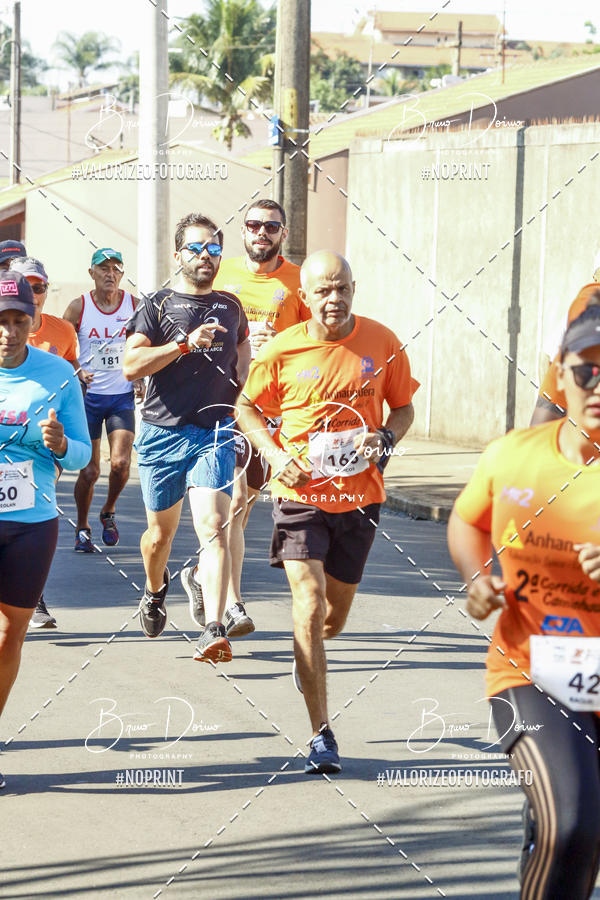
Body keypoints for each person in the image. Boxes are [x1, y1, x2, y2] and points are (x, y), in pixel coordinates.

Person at [236, 250, 418, 774]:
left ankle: (306, 657)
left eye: (341, 288)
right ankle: (321, 733)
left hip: (360, 500)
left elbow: (403, 406)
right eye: (322, 290)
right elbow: (245, 408)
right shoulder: (282, 350)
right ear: (306, 296)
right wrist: (273, 455)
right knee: (308, 604)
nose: (333, 299)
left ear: (353, 289)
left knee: (331, 621)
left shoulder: (383, 342)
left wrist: (385, 436)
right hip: (300, 498)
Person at [448, 304, 600, 899]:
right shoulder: (513, 454)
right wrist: (477, 573)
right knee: (572, 828)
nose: (598, 387)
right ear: (559, 373)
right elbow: (467, 520)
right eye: (587, 370)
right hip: (530, 669)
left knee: (582, 837)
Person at [123, 213, 250, 663]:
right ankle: (156, 589)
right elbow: (130, 366)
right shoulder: (156, 305)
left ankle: (213, 628)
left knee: (214, 526)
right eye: (196, 248)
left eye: (213, 249)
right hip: (162, 434)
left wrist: (241, 403)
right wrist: (185, 345)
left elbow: (243, 353)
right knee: (160, 536)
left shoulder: (232, 307)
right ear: (178, 255)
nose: (205, 257)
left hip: (214, 431)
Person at [0, 271, 91, 789]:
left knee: (11, 634)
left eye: (18, 321)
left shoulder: (55, 373)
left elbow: (82, 453)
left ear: (33, 323)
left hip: (32, 522)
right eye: (1, 321)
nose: (9, 331)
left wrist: (58, 444)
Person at [212, 198, 310, 639]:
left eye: (271, 226)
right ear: (244, 231)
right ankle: (232, 605)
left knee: (244, 508)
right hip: (224, 403)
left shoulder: (297, 282)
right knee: (231, 503)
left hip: (271, 411)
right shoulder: (222, 275)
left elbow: (316, 340)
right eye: (253, 225)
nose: (261, 233)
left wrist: (281, 339)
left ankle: (208, 575)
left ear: (283, 234)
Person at [10, 256, 80, 628]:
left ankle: (31, 596)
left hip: (36, 459)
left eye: (38, 288)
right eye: (25, 286)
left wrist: (64, 442)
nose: (33, 294)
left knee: (31, 508)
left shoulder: (63, 332)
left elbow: (71, 384)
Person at [64, 248, 143, 551]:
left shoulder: (133, 306)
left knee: (121, 463)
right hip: (87, 398)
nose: (110, 274)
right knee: (90, 470)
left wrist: (140, 374)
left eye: (116, 269)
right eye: (103, 269)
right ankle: (82, 526)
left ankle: (108, 510)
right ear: (92, 273)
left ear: (122, 274)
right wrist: (77, 370)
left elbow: (144, 343)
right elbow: (62, 345)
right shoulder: (78, 307)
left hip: (120, 396)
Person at [531, 271, 600, 425]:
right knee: (541, 443)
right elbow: (545, 356)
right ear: (595, 276)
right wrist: (549, 395)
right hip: (557, 399)